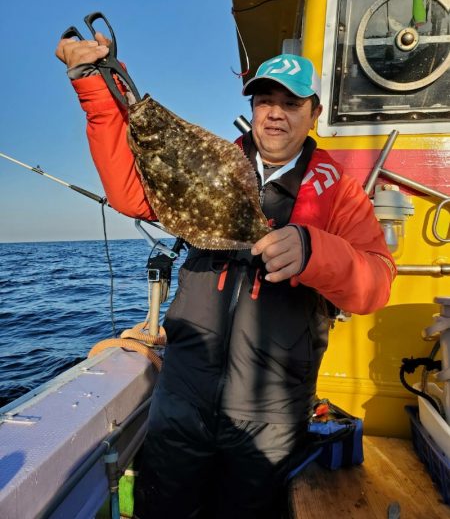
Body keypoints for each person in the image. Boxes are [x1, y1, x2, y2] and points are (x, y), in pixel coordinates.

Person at [56, 36, 396, 519]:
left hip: (271, 412)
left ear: (313, 113)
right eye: (264, 101)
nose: (275, 113)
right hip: (182, 393)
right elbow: (132, 193)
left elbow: (376, 284)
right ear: (253, 109)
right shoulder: (214, 164)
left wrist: (314, 250)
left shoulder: (338, 192)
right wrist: (94, 85)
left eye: (290, 102)